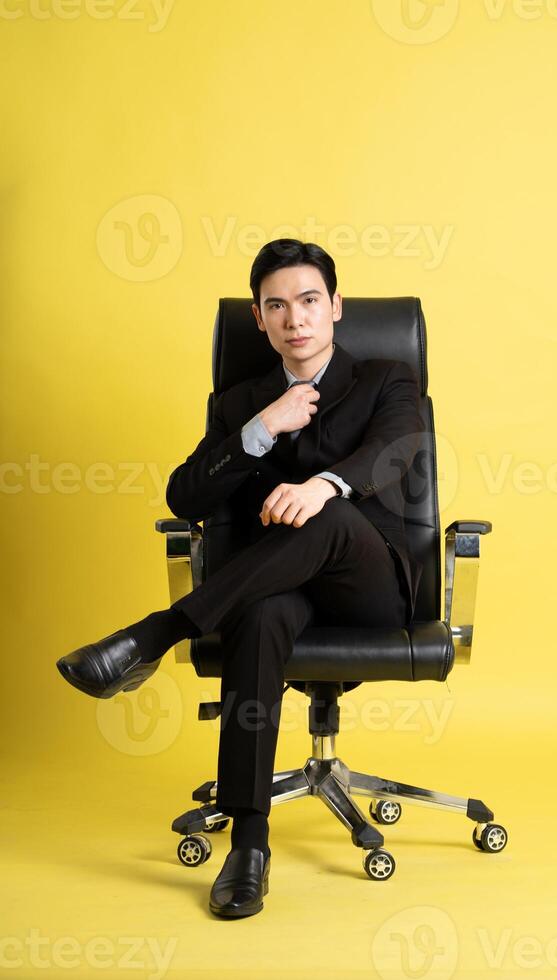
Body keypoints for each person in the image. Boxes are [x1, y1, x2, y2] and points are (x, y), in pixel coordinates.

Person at [56, 238, 424, 918]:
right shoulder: (240, 405)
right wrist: (259, 429)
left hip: (367, 587)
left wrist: (325, 485)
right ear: (259, 319)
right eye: (277, 306)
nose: (296, 319)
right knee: (260, 619)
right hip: (273, 589)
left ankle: (157, 632)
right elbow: (183, 496)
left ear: (336, 307)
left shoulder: (386, 377)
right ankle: (248, 846)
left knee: (332, 514)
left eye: (310, 301)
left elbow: (394, 453)